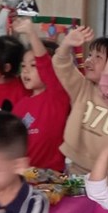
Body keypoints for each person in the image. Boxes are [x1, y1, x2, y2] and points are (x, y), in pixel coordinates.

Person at [51, 25, 108, 185]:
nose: (89, 61)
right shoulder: (83, 87)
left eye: (98, 57)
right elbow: (62, 65)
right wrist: (66, 43)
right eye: (90, 55)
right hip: (74, 171)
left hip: (107, 181)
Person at [9, 17, 69, 171]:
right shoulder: (21, 104)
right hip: (22, 176)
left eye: (33, 65)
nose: (26, 71)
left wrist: (31, 33)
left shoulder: (57, 97)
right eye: (23, 66)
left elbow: (45, 65)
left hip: (51, 178)